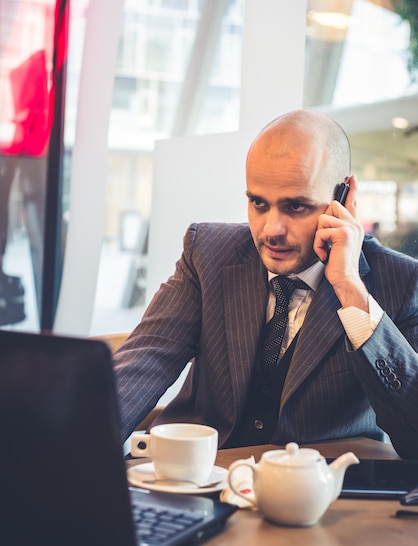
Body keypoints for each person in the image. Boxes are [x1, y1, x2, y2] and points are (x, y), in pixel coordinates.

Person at [113, 109, 418, 459]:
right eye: (258, 203)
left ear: (344, 197)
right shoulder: (207, 252)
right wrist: (65, 453)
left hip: (317, 500)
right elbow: (142, 366)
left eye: (297, 207)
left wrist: (351, 291)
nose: (272, 229)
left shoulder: (402, 283)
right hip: (195, 481)